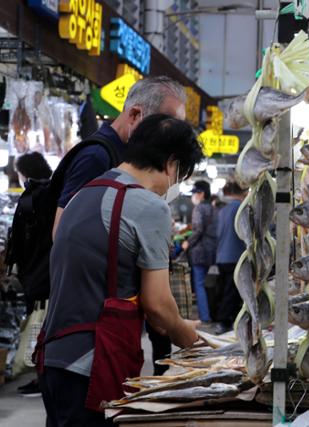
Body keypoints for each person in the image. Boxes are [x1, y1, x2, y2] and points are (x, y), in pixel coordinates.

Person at [37, 114, 202, 426]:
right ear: (171, 164)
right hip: (92, 365)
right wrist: (186, 334)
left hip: (54, 357)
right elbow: (157, 305)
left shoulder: (84, 193)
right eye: (180, 175)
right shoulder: (149, 206)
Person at [53, 76, 186, 238]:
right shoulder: (96, 157)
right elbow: (61, 232)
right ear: (135, 114)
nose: (172, 138)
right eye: (167, 127)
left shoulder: (128, 157)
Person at [13, 152, 53, 397]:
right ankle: (42, 376)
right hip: (49, 271)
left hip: (38, 273)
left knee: (39, 326)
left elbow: (25, 242)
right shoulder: (54, 191)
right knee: (43, 326)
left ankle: (42, 378)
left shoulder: (33, 197)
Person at [213, 181, 247, 335]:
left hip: (222, 257)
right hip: (236, 256)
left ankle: (225, 319)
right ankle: (225, 320)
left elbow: (217, 234)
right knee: (232, 291)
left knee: (225, 289)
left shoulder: (222, 210)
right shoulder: (240, 208)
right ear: (241, 192)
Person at [182, 181, 217, 323]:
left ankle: (204, 317)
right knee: (209, 284)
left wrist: (187, 243)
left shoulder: (198, 209)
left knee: (199, 284)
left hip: (199, 252)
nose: (193, 196)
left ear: (201, 193)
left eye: (195, 193)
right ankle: (210, 314)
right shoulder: (214, 209)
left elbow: (197, 230)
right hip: (212, 251)